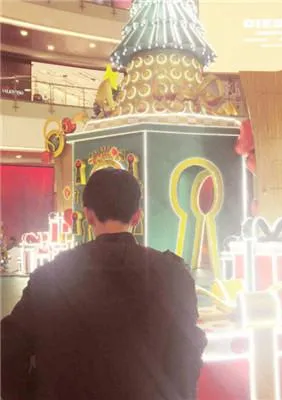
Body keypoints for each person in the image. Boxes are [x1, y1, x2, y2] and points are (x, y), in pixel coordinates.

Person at [1, 168, 206, 400]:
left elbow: (8, 349)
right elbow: (186, 360)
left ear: (88, 215)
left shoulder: (49, 276)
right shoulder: (174, 276)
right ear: (137, 217)